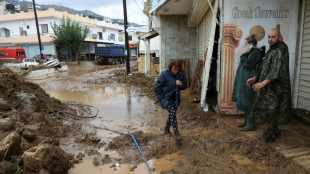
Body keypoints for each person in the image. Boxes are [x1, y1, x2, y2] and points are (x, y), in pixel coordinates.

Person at [247, 28, 291, 143]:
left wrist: (262, 83)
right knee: (271, 108)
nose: (270, 39)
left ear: (279, 37)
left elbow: (275, 70)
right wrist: (256, 78)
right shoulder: (272, 49)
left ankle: (271, 133)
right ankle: (275, 130)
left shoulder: (280, 50)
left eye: (273, 37)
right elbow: (265, 65)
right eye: (269, 37)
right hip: (269, 85)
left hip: (277, 87)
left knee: (272, 109)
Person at [232, 34, 263, 131]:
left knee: (249, 101)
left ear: (251, 44)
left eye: (246, 44)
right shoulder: (251, 52)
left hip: (250, 81)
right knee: (245, 100)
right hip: (245, 80)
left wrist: (244, 54)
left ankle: (250, 124)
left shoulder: (256, 52)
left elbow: (248, 64)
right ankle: (246, 121)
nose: (245, 46)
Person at [155, 60, 187, 141]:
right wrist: (160, 98)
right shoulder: (165, 74)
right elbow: (157, 86)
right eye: (174, 69)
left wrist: (181, 84)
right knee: (172, 112)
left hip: (176, 99)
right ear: (170, 68)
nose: (176, 71)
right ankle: (176, 132)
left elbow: (185, 86)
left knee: (172, 114)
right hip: (166, 98)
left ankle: (166, 129)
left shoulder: (181, 74)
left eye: (177, 69)